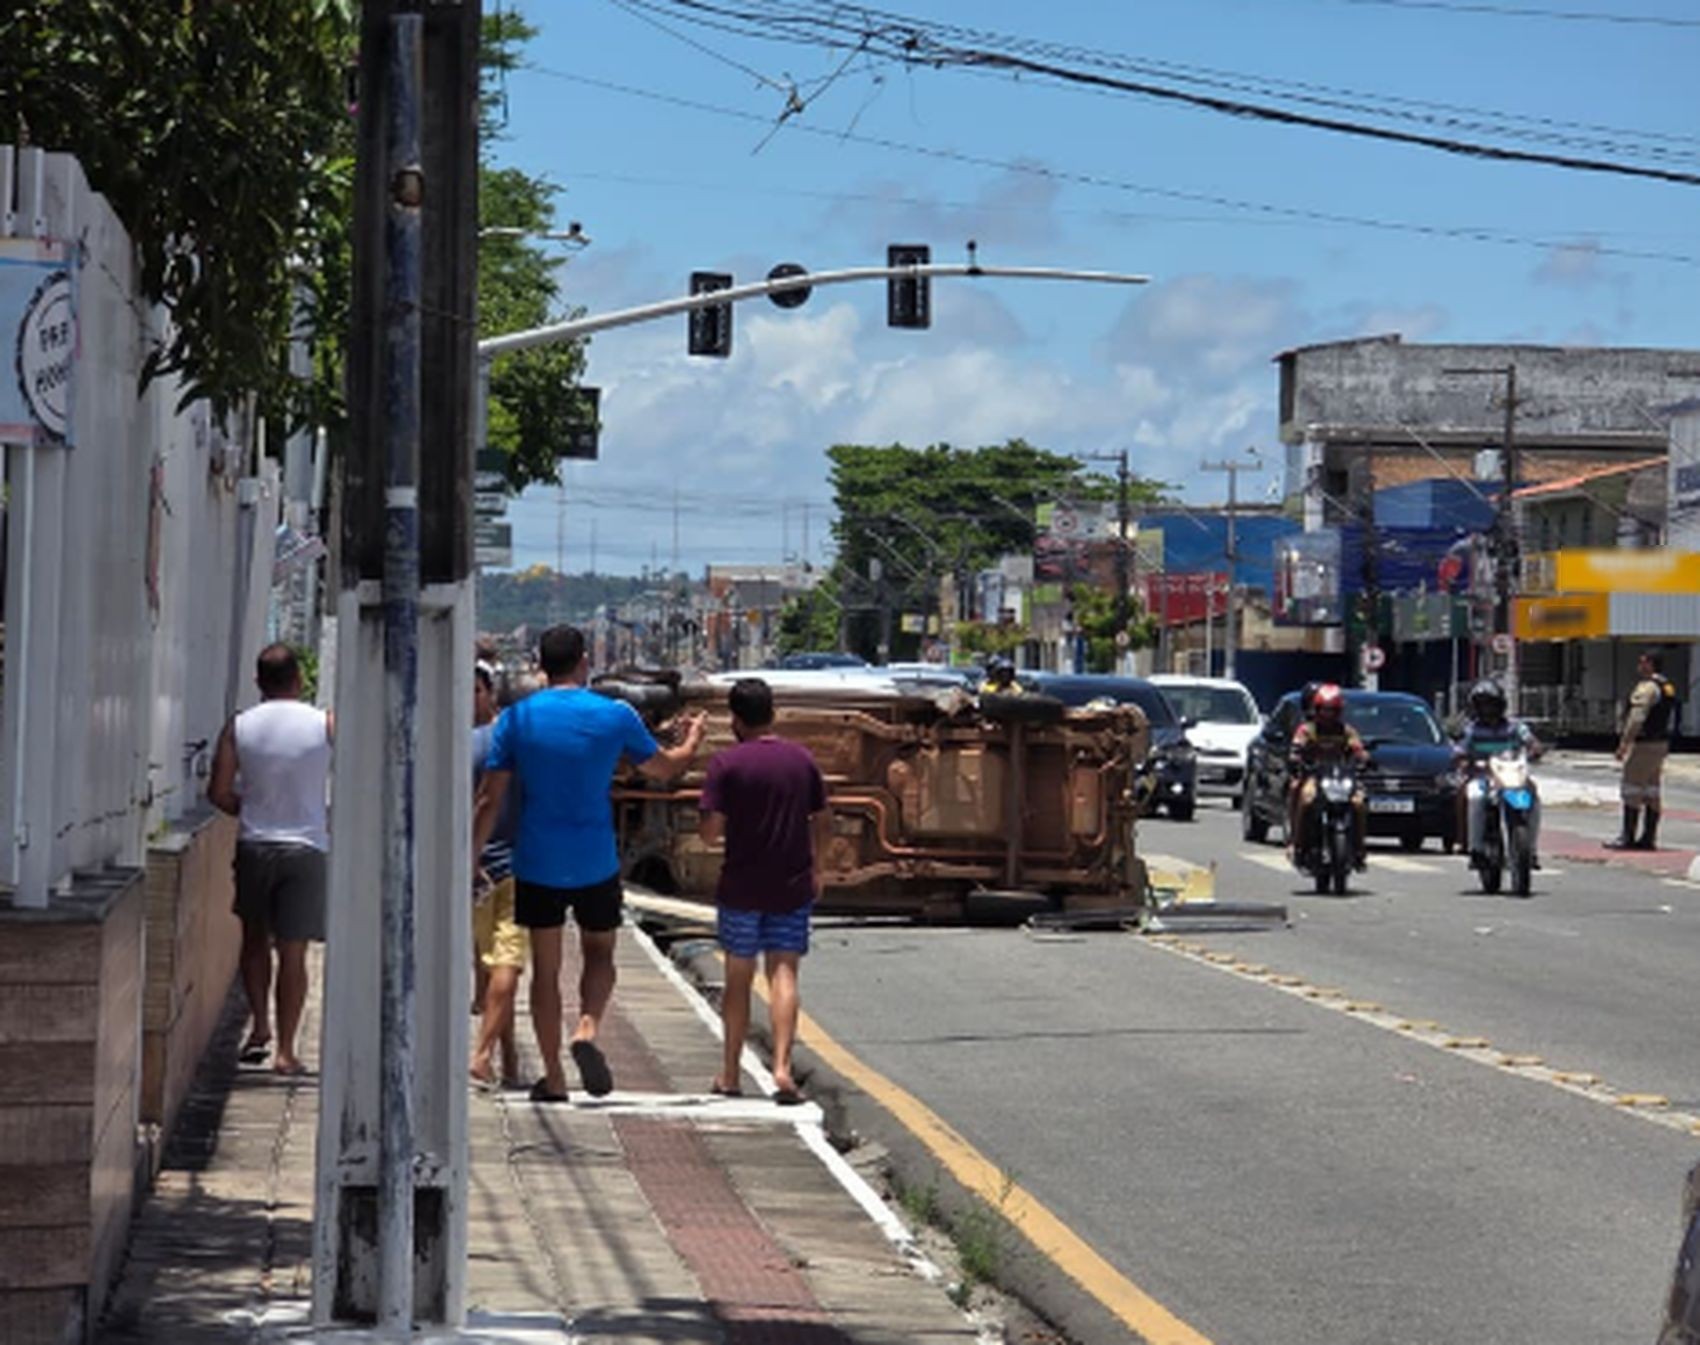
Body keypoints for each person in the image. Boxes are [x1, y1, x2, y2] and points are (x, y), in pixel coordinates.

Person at [472, 625, 707, 1102]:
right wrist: (693, 741)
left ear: (540, 665)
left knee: (545, 971)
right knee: (600, 953)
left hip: (535, 859)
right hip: (596, 858)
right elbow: (665, 767)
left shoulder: (517, 719)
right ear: (583, 661)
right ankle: (587, 1028)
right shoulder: (614, 715)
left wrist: (469, 856)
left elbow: (489, 800)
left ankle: (554, 1077)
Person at [697, 678, 829, 1105]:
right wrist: (819, 866)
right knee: (784, 974)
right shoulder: (801, 761)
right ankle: (782, 1069)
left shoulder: (726, 764)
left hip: (740, 886)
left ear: (735, 718)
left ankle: (731, 1073)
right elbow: (822, 818)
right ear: (772, 713)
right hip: (791, 883)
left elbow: (709, 833)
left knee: (738, 978)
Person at [208, 643, 333, 1076]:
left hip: (255, 844)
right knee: (293, 953)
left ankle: (258, 1026)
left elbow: (218, 793)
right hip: (307, 847)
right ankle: (286, 1050)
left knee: (254, 941)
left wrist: (255, 807)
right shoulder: (325, 723)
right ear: (299, 678)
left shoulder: (239, 727)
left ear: (259, 682)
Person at [469, 661, 526, 1090]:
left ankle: (506, 1060)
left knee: (489, 967)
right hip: (515, 867)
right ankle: (484, 1055)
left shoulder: (457, 744)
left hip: (475, 868)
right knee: (506, 964)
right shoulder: (522, 746)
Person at [1456, 679, 1544, 868]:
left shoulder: (1514, 727)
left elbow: (1531, 741)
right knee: (1475, 798)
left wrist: (1535, 748)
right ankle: (1476, 849)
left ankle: (1532, 850)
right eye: (1483, 705)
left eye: (1491, 704)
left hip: (1512, 776)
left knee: (1533, 798)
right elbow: (1460, 750)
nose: (1487, 709)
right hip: (1484, 777)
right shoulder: (1472, 730)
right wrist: (1462, 759)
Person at [1286, 682, 1368, 868]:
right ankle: (1297, 843)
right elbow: (1296, 747)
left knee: (1359, 803)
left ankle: (1359, 849)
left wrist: (1363, 759)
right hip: (1315, 777)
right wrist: (1295, 757)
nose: (1328, 715)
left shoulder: (1346, 731)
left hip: (1341, 779)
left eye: (1332, 710)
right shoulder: (1307, 730)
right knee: (1305, 798)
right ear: (1317, 710)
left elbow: (1358, 748)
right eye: (1324, 710)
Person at [1607, 649, 1679, 850]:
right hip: (1661, 744)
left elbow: (1637, 718)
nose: (1639, 665)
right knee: (1652, 790)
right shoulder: (1667, 687)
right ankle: (1648, 837)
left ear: (1650, 664)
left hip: (1645, 744)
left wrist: (1624, 744)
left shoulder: (1647, 688)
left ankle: (1627, 837)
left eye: (1642, 661)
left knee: (1632, 787)